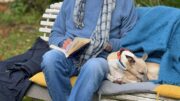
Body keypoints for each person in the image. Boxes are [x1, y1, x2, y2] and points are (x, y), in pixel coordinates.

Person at [41, 0, 137, 101]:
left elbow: (130, 41)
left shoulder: (125, 3)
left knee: (93, 66)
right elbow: (55, 34)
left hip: (101, 58)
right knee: (50, 59)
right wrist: (63, 42)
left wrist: (110, 45)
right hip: (70, 56)